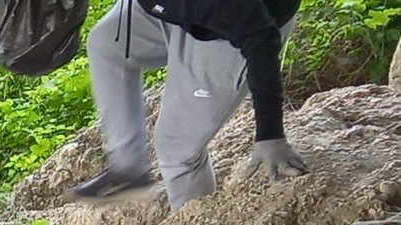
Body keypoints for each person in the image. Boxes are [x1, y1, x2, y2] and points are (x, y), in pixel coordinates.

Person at [69, 0, 306, 210]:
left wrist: (270, 135)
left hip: (237, 29)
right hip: (189, 10)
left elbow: (260, 35)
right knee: (106, 42)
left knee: (176, 148)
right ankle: (128, 170)